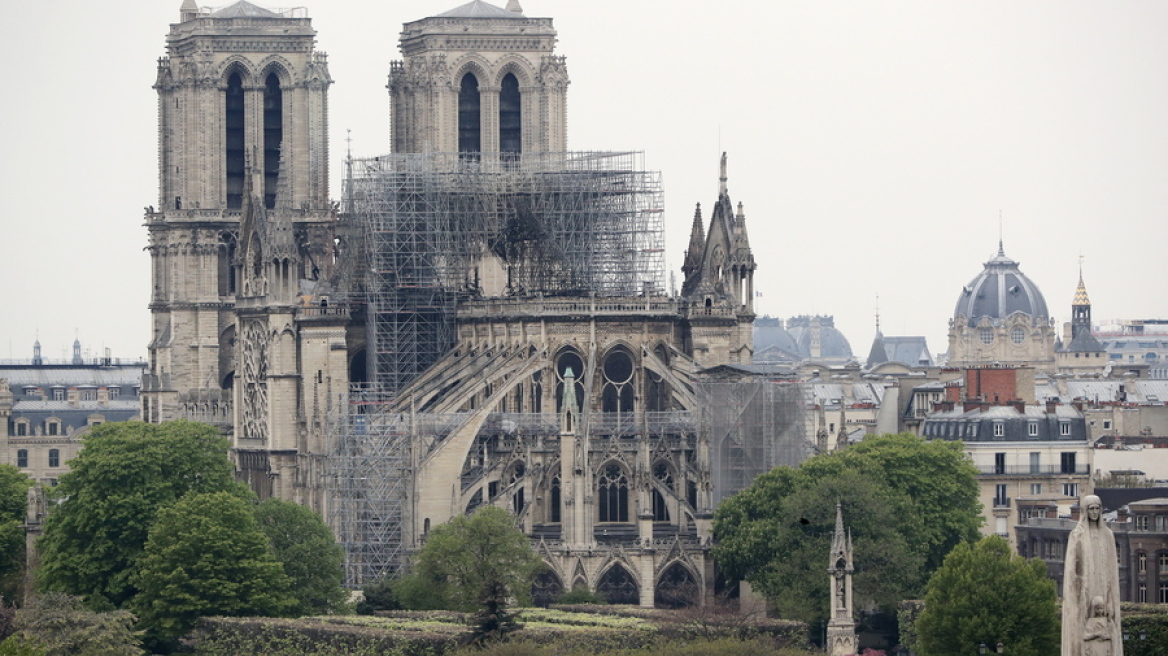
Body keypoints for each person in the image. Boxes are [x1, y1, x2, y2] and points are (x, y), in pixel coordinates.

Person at [1061, 495, 1123, 656]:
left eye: (1097, 508)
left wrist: (1110, 599)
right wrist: (1077, 595)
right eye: (1091, 509)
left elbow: (1112, 569)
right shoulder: (1077, 535)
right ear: (1085, 511)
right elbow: (1071, 570)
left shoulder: (1108, 535)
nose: (1095, 512)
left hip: (1103, 586)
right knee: (1080, 629)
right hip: (1084, 589)